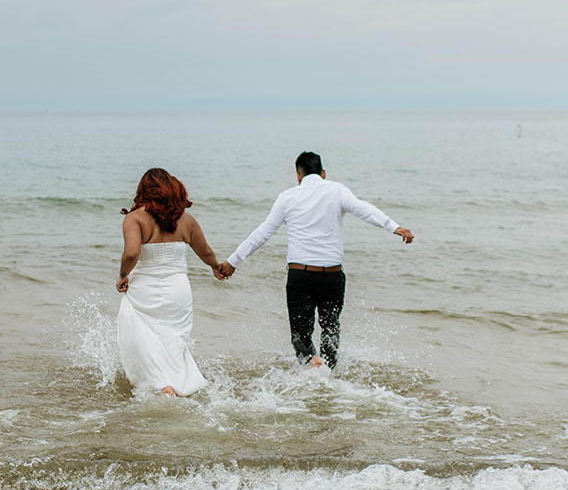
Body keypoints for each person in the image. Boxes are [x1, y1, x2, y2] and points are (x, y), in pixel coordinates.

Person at [216, 152, 412, 369]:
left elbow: (262, 233)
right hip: (332, 276)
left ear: (298, 175)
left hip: (301, 276)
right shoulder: (337, 190)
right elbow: (363, 209)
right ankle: (329, 374)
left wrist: (233, 261)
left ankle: (310, 360)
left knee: (301, 335)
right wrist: (394, 226)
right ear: (324, 173)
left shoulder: (287, 197)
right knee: (330, 330)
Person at [116, 168, 223, 397]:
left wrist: (123, 274)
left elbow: (132, 253)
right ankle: (174, 383)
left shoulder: (134, 219)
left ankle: (159, 383)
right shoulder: (187, 220)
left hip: (144, 288)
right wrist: (215, 266)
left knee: (141, 336)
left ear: (142, 190)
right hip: (177, 290)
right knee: (174, 338)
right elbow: (205, 252)